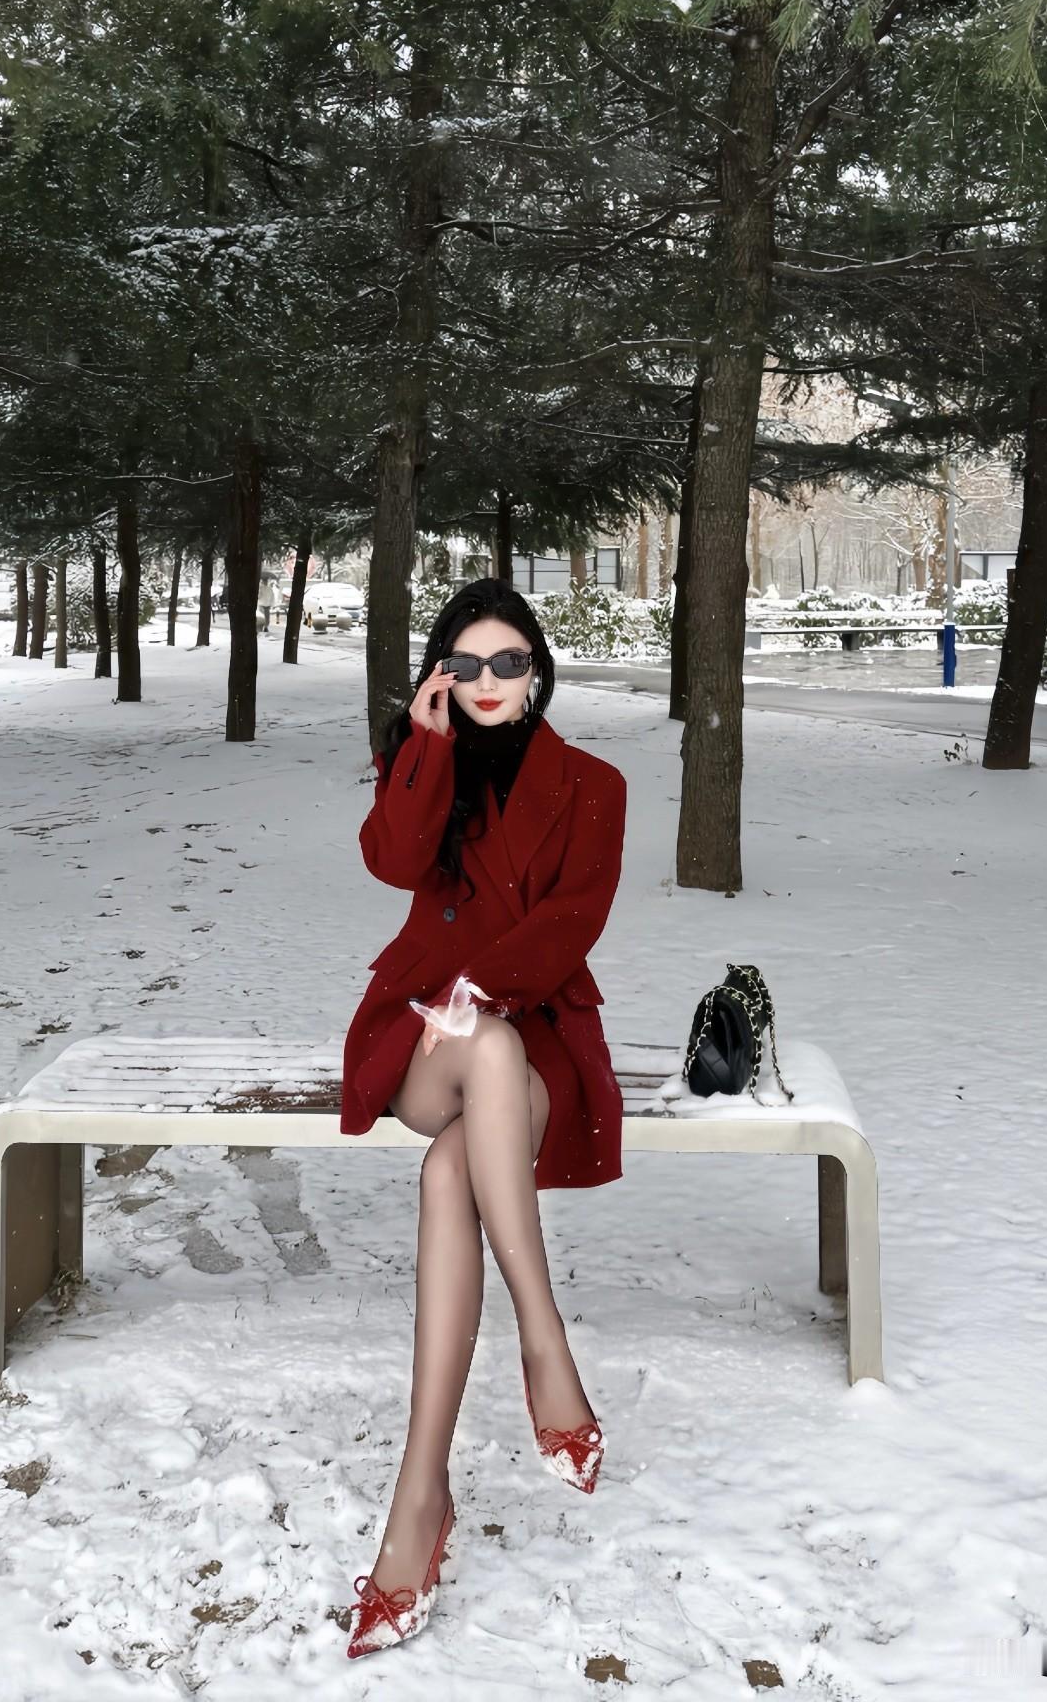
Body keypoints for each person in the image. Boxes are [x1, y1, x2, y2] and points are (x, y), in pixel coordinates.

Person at [339, 578, 627, 1659]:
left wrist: (487, 992)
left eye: (511, 662)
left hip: (531, 1030)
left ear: (538, 671)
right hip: (423, 1039)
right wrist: (424, 750)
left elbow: (575, 916)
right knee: (474, 1056)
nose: (491, 682)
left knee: (450, 1165)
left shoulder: (594, 784)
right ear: (441, 676)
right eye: (467, 665)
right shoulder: (424, 759)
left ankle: (421, 1499)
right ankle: (546, 1345)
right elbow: (392, 864)